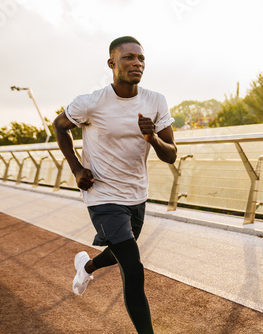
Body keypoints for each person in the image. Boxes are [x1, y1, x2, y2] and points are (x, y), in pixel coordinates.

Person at [53, 36, 177, 334]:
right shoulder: (91, 103)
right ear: (112, 63)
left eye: (141, 58)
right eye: (129, 58)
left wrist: (153, 138)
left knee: (124, 249)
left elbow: (171, 154)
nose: (137, 63)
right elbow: (59, 126)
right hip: (102, 195)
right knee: (133, 268)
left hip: (136, 195)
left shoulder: (155, 101)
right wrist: (76, 168)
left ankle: (87, 267)